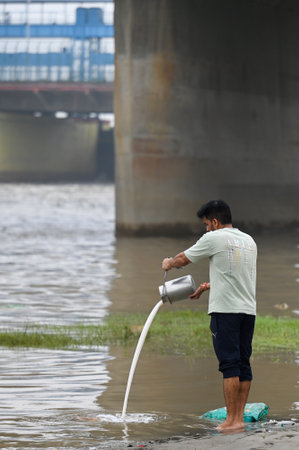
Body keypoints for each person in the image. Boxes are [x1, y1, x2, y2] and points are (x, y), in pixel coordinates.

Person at [162, 200, 257, 432]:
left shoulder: (214, 238)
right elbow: (237, 276)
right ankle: (239, 419)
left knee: (229, 365)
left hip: (225, 311)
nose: (206, 229)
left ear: (215, 221)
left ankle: (231, 421)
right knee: (243, 363)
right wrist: (208, 287)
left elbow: (183, 259)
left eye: (206, 224)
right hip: (248, 311)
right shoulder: (248, 241)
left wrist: (168, 263)